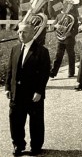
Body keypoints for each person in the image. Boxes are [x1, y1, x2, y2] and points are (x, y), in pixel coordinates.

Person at [5, 22, 50, 156]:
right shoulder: (15, 48)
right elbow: (10, 70)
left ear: (32, 33)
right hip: (16, 92)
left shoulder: (42, 51)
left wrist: (39, 91)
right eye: (19, 32)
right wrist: (8, 87)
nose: (21, 34)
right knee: (15, 119)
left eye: (24, 32)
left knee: (35, 121)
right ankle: (18, 145)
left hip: (32, 93)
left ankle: (36, 146)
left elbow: (44, 73)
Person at [50, 0, 79, 78]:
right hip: (60, 39)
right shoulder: (59, 15)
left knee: (71, 55)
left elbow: (76, 29)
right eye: (65, 4)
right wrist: (56, 26)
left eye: (69, 4)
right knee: (58, 55)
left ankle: (71, 72)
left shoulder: (73, 17)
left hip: (69, 39)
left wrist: (70, 33)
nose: (66, 5)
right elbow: (53, 25)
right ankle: (53, 72)